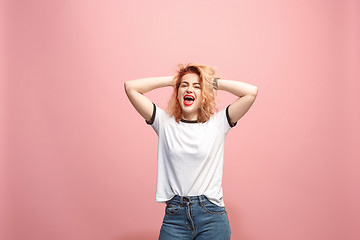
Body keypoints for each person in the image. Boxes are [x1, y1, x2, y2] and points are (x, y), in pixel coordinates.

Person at [124, 63, 258, 240]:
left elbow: (251, 92)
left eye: (197, 86)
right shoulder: (164, 123)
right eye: (184, 85)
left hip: (212, 216)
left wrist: (211, 82)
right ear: (177, 92)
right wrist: (173, 80)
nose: (189, 89)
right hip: (175, 217)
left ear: (204, 95)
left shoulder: (217, 124)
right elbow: (131, 87)